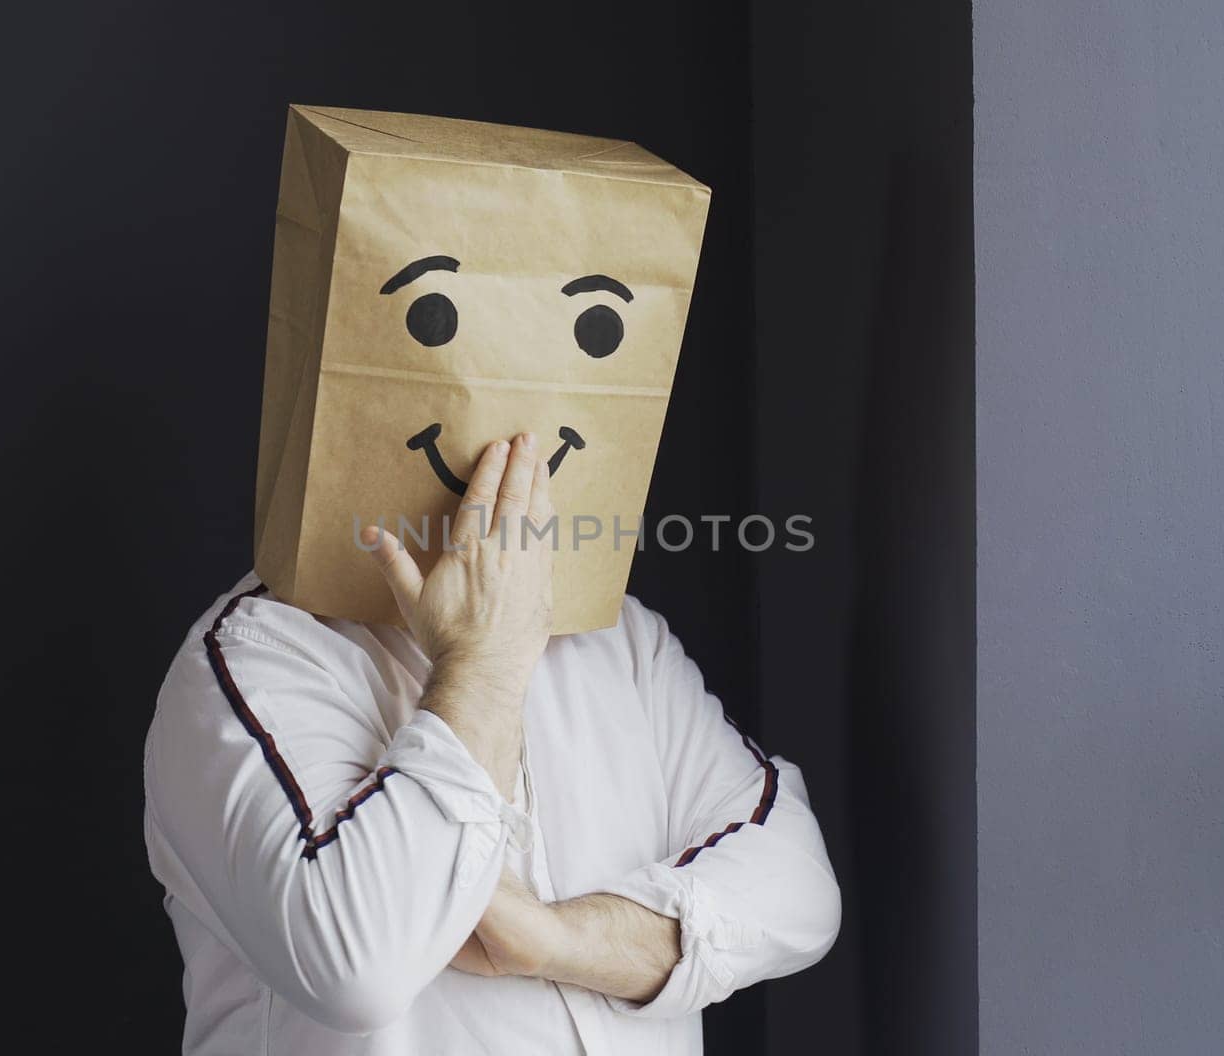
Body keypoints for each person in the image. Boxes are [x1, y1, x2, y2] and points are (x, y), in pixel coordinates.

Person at [144, 432, 842, 1054]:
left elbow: (799, 891)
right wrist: (483, 661)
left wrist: (557, 941)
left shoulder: (617, 637)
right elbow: (359, 968)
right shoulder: (255, 654)